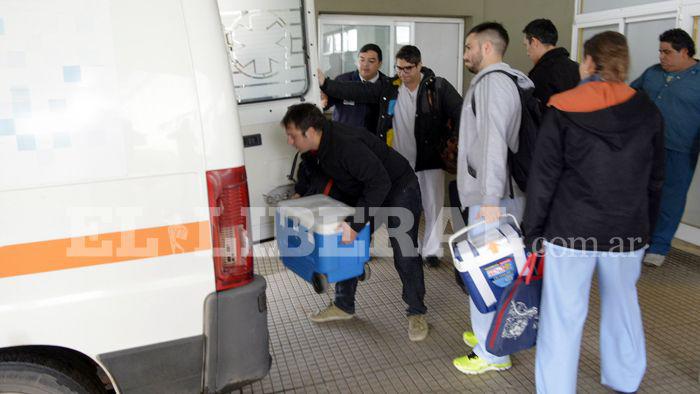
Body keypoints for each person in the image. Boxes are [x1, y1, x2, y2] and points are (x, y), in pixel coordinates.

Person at [523, 31, 665, 393]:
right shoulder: (647, 109)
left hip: (571, 231)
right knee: (623, 308)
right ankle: (625, 378)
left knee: (564, 317)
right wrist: (648, 230)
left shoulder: (563, 109)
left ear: (587, 62)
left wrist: (533, 232)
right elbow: (656, 178)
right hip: (628, 230)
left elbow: (544, 179)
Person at [282, 103, 430, 342]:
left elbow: (380, 182)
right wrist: (300, 193)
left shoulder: (345, 145)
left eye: (292, 136)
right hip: (366, 190)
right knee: (344, 243)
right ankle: (344, 305)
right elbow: (311, 171)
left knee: (404, 250)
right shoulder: (314, 149)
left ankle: (417, 311)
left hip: (398, 187)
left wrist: (356, 224)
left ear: (310, 132)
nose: (289, 141)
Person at [319, 45, 463, 268]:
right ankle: (409, 247)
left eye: (408, 69)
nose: (403, 74)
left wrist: (455, 141)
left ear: (419, 66)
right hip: (399, 160)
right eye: (399, 69)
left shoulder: (437, 87)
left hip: (429, 158)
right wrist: (326, 84)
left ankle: (432, 251)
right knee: (401, 204)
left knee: (432, 203)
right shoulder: (390, 87)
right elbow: (359, 91)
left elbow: (460, 110)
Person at [453, 21, 534, 375]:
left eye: (469, 46)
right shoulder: (503, 81)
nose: (466, 53)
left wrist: (488, 199)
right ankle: (489, 335)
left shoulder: (494, 83)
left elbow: (493, 144)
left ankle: (493, 352)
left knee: (489, 273)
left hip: (494, 199)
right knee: (492, 272)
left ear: (487, 48)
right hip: (495, 196)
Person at [631, 28, 700, 267]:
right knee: (641, 193)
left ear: (684, 52)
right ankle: (639, 240)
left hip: (681, 149)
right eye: (660, 51)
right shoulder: (653, 73)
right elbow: (630, 95)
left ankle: (658, 247)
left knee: (670, 198)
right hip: (645, 145)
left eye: (667, 52)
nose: (661, 56)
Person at [321, 43, 388, 133]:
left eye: (371, 61)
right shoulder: (342, 80)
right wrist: (323, 98)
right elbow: (325, 102)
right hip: (344, 138)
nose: (365, 64)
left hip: (372, 141)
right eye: (362, 60)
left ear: (380, 63)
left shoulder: (386, 84)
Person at [522, 18, 580, 104]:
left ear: (534, 42)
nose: (527, 53)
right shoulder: (577, 68)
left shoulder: (541, 74)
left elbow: (539, 114)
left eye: (526, 45)